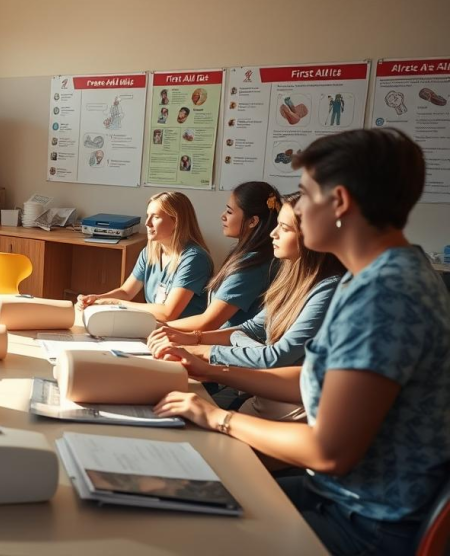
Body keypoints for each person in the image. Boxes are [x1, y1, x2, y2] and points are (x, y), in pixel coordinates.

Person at [154, 128, 450, 556]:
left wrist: (216, 417)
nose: (289, 213)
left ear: (340, 203)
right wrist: (210, 369)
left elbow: (328, 451)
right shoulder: (377, 275)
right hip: (338, 499)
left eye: (306, 194)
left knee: (177, 524)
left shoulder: (386, 294)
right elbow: (317, 378)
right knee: (182, 490)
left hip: (365, 525)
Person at [147, 192, 345, 421]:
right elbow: (250, 328)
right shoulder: (291, 278)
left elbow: (276, 357)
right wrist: (194, 339)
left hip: (291, 406)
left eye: (285, 228)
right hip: (264, 393)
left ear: (313, 236)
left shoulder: (328, 288)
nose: (274, 233)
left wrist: (201, 350)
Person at [77, 192, 213, 322]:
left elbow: (168, 313)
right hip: (155, 327)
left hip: (182, 334)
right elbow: (126, 292)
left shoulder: (194, 259)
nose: (147, 223)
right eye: (147, 215)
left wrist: (115, 303)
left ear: (176, 222)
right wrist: (96, 299)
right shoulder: (149, 252)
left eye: (156, 217)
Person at [167, 181, 279, 332]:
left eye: (230, 212)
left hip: (231, 346)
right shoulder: (247, 255)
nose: (223, 216)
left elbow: (208, 323)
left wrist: (156, 327)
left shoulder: (251, 265)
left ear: (252, 221)